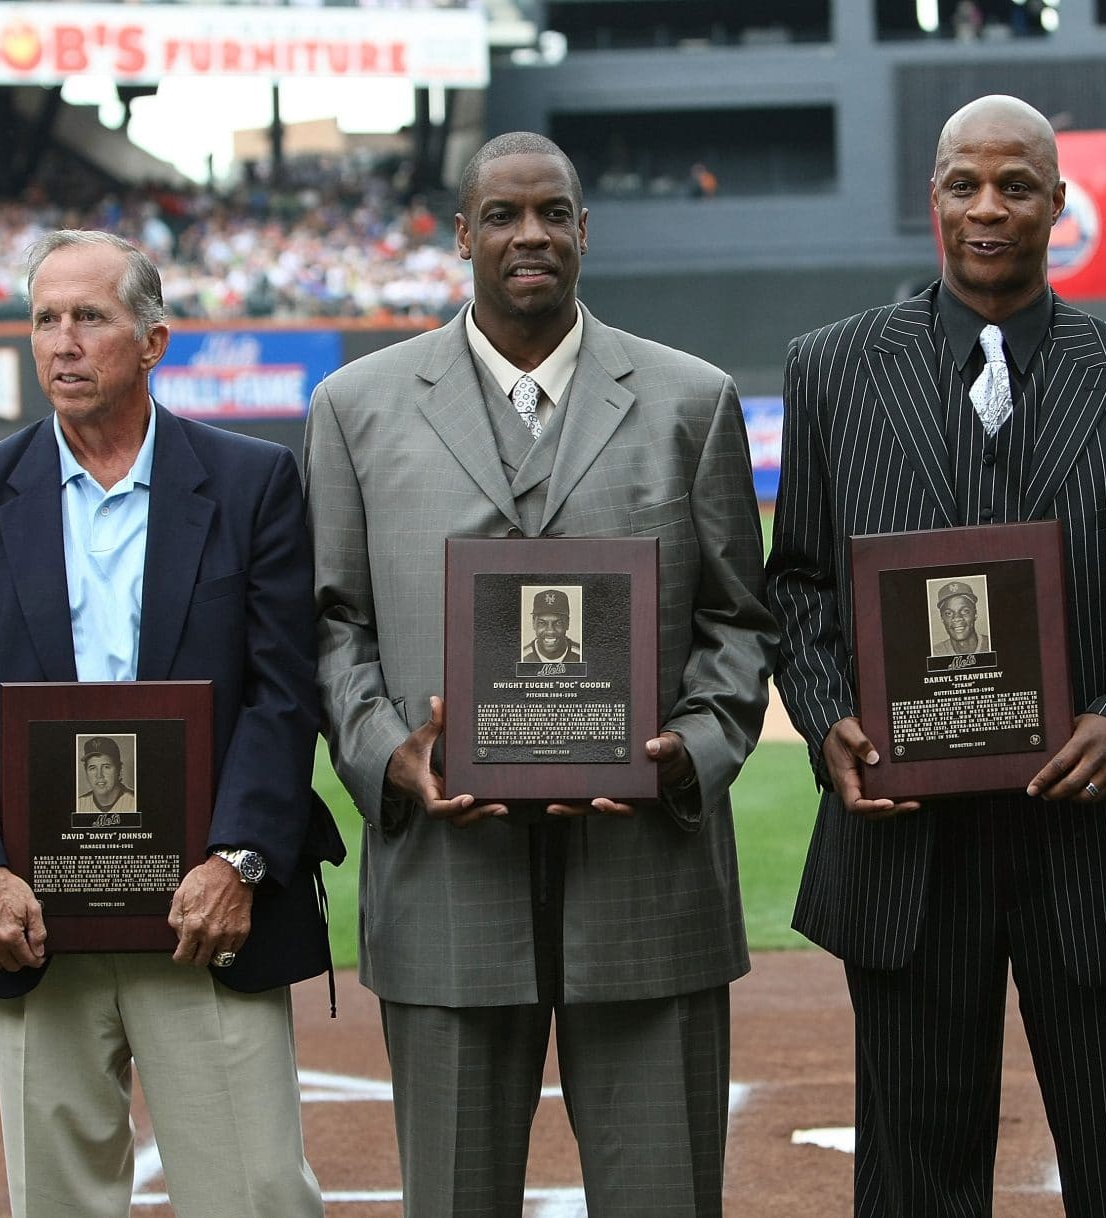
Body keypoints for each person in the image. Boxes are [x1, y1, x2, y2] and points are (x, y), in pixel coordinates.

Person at [305, 131, 775, 1216]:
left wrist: (688, 754)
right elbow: (333, 625)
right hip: (446, 884)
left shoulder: (688, 399)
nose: (530, 235)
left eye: (552, 214)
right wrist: (389, 755)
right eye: (504, 216)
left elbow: (739, 618)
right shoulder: (357, 408)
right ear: (461, 234)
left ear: (581, 232)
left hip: (646, 875)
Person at [765, 94, 1106, 1216]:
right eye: (964, 184)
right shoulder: (830, 371)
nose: (987, 208)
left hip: (1091, 837)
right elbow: (799, 580)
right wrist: (828, 721)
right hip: (907, 850)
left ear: (1056, 206)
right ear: (931, 201)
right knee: (915, 1178)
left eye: (1015, 186)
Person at [0, 229, 343, 1218]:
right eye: (44, 319)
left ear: (152, 342)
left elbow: (285, 692)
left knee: (256, 1194)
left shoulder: (250, 483)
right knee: (57, 1201)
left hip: (207, 913)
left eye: (88, 318)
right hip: (35, 918)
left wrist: (237, 862)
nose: (63, 342)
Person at [76, 736, 136, 815]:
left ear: (119, 770)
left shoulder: (134, 802)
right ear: (86, 772)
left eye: (106, 767)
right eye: (92, 768)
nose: (99, 775)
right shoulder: (79, 804)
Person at [522, 587, 584, 662]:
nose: (550, 631)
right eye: (542, 623)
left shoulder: (582, 656)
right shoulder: (522, 657)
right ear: (533, 623)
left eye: (558, 623)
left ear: (567, 623)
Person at [932, 580, 987, 656]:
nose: (957, 618)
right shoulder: (935, 653)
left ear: (975, 614)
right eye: (949, 613)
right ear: (942, 618)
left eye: (965, 611)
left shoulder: (990, 645)